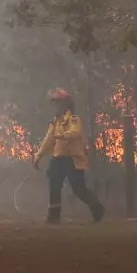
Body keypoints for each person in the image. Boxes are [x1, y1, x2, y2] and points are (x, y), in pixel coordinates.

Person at [34, 88, 105, 224]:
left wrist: (61, 135)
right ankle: (53, 217)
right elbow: (48, 140)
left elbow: (75, 132)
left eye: (59, 103)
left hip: (73, 159)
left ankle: (97, 208)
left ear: (66, 104)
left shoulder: (73, 119)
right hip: (59, 158)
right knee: (54, 183)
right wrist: (38, 156)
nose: (56, 106)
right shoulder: (55, 122)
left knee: (78, 189)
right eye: (55, 103)